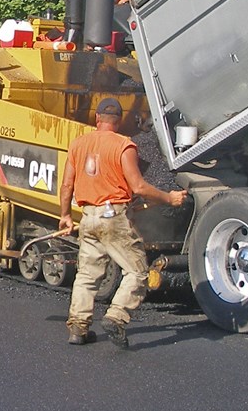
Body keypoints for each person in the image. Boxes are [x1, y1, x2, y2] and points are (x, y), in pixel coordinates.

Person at [57, 97, 187, 349]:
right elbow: (139, 187)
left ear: (97, 118)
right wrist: (169, 198)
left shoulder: (78, 144)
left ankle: (78, 328)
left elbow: (66, 186)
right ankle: (116, 316)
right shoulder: (124, 146)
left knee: (87, 275)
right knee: (137, 272)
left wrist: (65, 215)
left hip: (88, 217)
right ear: (118, 121)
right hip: (113, 218)